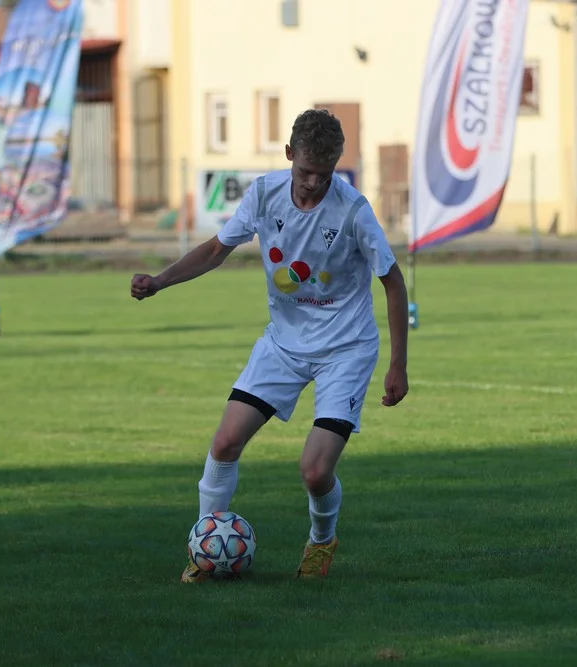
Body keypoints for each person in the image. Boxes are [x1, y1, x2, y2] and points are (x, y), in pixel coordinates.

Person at [130, 109, 410, 581]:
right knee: (224, 442)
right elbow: (216, 249)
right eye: (305, 173)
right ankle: (205, 548)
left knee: (315, 471)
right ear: (288, 156)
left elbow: (394, 282)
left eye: (325, 175)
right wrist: (159, 281)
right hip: (283, 345)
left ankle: (321, 542)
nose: (313, 185)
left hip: (345, 349)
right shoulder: (264, 194)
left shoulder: (353, 210)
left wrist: (398, 365)